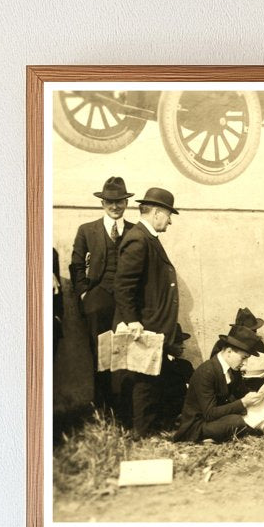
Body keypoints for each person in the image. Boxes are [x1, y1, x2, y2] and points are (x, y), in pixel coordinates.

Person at [112, 186, 181, 438]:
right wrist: (133, 321)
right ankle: (142, 432)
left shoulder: (146, 238)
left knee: (150, 377)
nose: (170, 221)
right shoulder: (139, 240)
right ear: (157, 213)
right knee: (143, 379)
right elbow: (123, 285)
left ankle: (147, 427)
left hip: (151, 322)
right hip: (144, 323)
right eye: (169, 215)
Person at [69, 176, 134, 409]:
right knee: (100, 356)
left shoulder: (136, 231)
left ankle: (124, 411)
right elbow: (76, 264)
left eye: (119, 201)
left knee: (127, 355)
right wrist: (85, 294)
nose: (115, 206)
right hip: (97, 301)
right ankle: (103, 411)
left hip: (128, 304)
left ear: (126, 203)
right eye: (110, 202)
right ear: (102, 203)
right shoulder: (87, 230)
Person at [173, 326, 264, 443]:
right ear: (229, 352)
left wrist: (258, 396)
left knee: (249, 417)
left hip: (218, 418)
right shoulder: (207, 371)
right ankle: (206, 438)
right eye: (243, 358)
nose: (244, 364)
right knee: (237, 421)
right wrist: (243, 403)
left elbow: (241, 392)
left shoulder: (233, 369)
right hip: (199, 424)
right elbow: (209, 413)